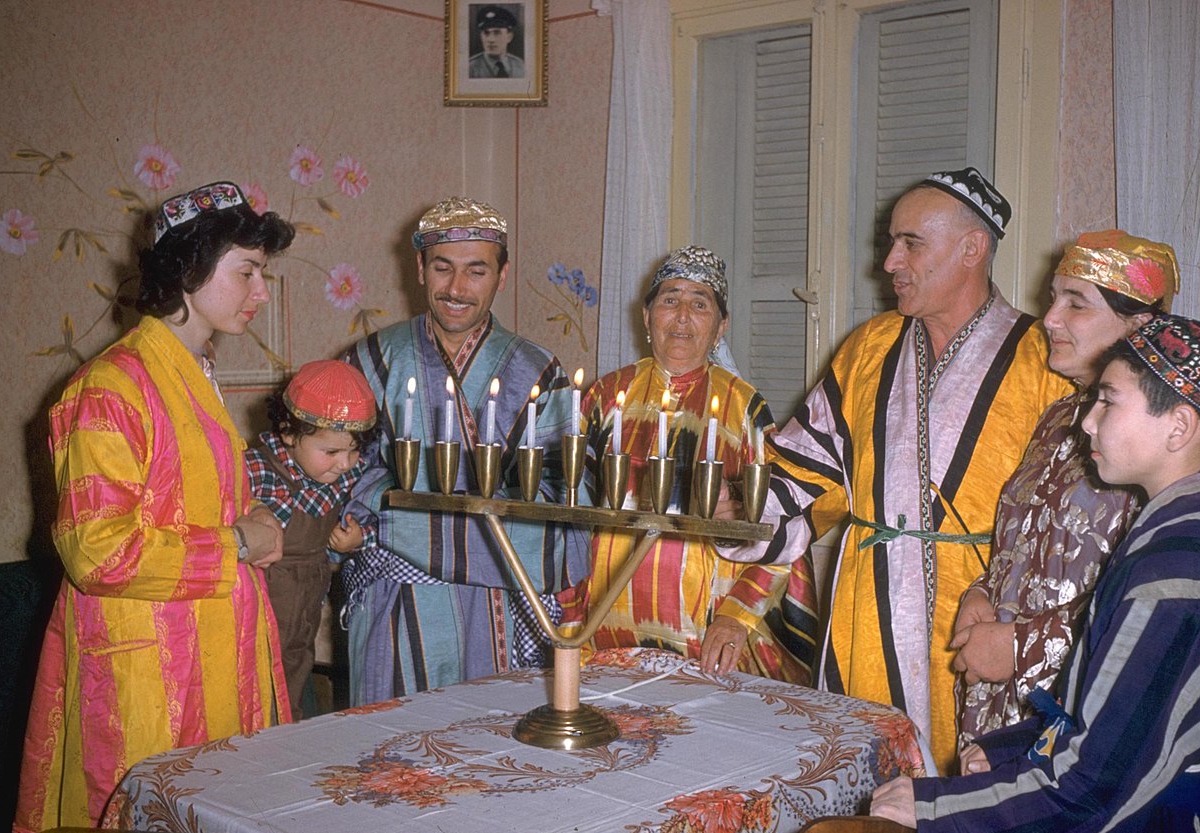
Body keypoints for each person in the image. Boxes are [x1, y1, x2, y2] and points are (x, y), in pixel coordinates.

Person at [718, 167, 1071, 769]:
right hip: (867, 615)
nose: (889, 262)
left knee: (972, 807)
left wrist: (1027, 637)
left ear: (972, 248)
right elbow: (810, 471)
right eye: (891, 242)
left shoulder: (1047, 362)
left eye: (911, 242)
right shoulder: (868, 347)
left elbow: (1067, 533)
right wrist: (740, 509)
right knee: (869, 793)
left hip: (980, 620)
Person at [871, 314, 1200, 833]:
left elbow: (1091, 788)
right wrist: (1008, 749)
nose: (1087, 421)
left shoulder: (1178, 571)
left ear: (1178, 426)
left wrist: (934, 807)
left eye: (1109, 400)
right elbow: (1118, 715)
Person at [14, 182, 294, 833]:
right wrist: (237, 543)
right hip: (149, 675)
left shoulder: (189, 376)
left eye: (263, 273)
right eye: (248, 272)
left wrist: (257, 526)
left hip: (216, 654)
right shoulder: (109, 388)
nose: (261, 293)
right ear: (189, 268)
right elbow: (99, 551)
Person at [342, 196, 588, 703]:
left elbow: (568, 502)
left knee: (493, 760)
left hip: (502, 604)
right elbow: (338, 476)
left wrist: (401, 523)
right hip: (396, 602)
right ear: (419, 268)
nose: (456, 289)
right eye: (442, 268)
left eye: (476, 271)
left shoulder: (538, 371)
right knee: (390, 762)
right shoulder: (371, 361)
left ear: (501, 275)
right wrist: (462, 515)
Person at [951, 230, 1177, 748]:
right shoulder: (1060, 415)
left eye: (1076, 303)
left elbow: (1153, 602)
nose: (1050, 318)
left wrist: (1022, 647)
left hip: (1080, 715)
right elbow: (1023, 547)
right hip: (999, 706)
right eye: (1054, 298)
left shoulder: (1155, 439)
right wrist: (980, 596)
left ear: (1138, 326)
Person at [558, 246, 818, 683]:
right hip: (603, 629)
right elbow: (565, 513)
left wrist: (737, 616)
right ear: (646, 316)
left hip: (709, 642)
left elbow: (781, 531)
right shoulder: (605, 398)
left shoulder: (744, 408)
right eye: (670, 299)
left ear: (722, 326)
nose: (682, 316)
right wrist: (568, 608)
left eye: (700, 303)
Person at [246, 360, 379, 721]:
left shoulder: (342, 477)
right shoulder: (256, 470)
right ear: (289, 432)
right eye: (332, 452)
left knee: (294, 689)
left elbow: (379, 521)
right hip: (253, 616)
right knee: (253, 696)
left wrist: (358, 539)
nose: (345, 463)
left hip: (303, 618)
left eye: (353, 451)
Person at [468, 4, 525, 79]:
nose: (491, 39)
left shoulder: (521, 66)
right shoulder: (470, 68)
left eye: (497, 33)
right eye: (486, 33)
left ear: (509, 37)